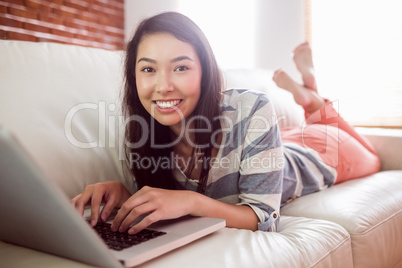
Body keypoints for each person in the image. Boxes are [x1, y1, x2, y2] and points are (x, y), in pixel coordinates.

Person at [71, 12, 380, 234]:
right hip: (272, 143)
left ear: (206, 71)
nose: (162, 86)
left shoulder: (252, 107)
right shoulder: (142, 133)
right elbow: (162, 199)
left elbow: (265, 217)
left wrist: (191, 201)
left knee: (373, 157)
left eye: (180, 67)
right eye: (148, 70)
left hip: (318, 153)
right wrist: (125, 194)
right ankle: (309, 94)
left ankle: (312, 97)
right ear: (133, 77)